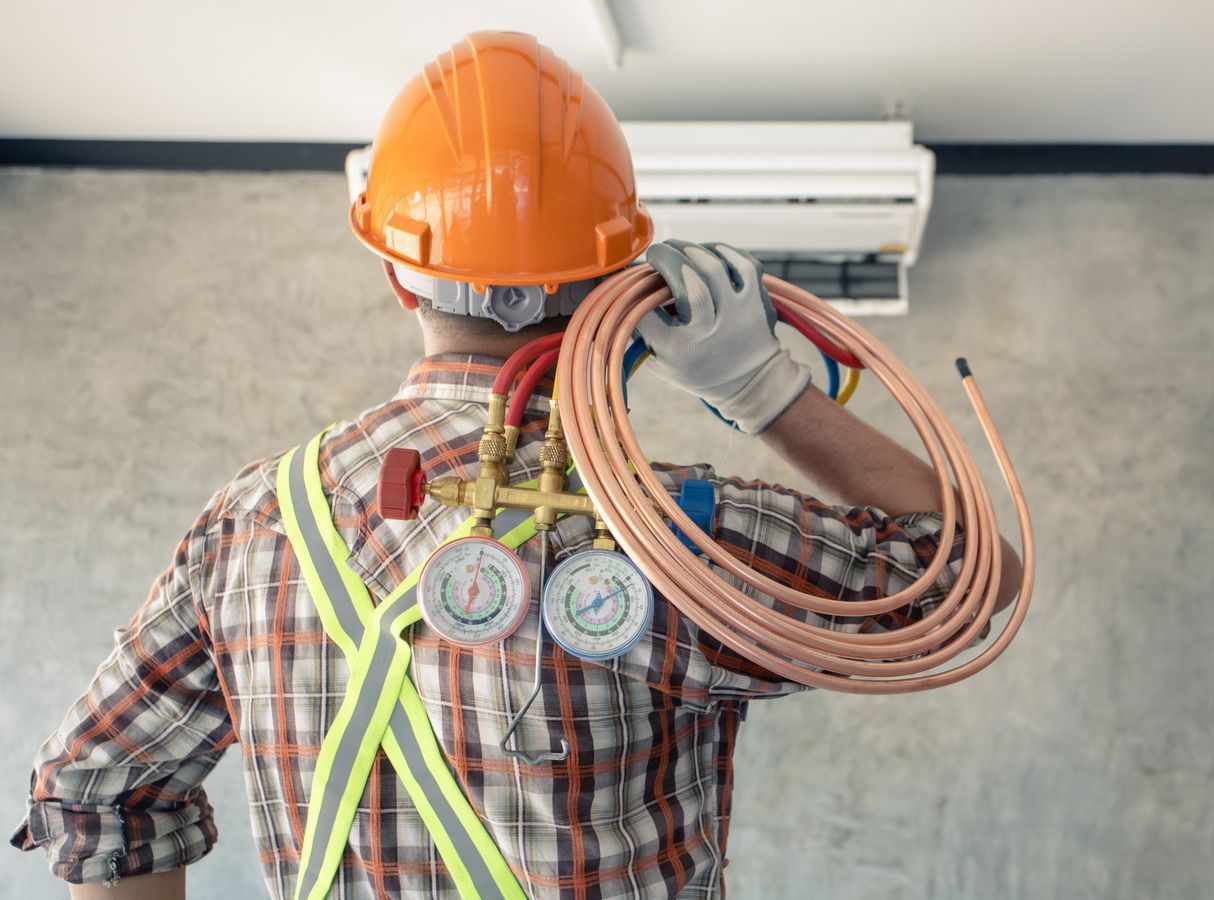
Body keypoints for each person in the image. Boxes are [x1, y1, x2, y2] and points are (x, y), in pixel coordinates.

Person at [12, 32, 1021, 899]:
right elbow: (967, 580)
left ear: (393, 270)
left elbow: (94, 791)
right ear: (618, 274)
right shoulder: (667, 531)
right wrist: (762, 388)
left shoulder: (251, 524)